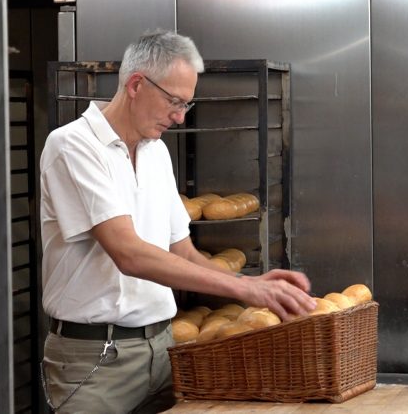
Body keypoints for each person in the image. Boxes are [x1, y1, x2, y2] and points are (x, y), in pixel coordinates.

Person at [39, 30, 316, 413]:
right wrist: (247, 293)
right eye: (174, 101)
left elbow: (181, 251)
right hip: (98, 360)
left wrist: (246, 282)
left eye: (187, 103)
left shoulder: (156, 152)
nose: (180, 116)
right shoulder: (73, 146)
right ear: (136, 84)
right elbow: (129, 253)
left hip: (166, 348)